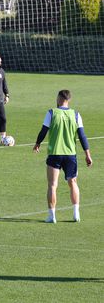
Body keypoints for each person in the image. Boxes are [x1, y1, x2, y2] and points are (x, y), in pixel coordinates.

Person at [33, 90, 92, 223]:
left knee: (52, 185)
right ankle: (76, 214)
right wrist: (87, 154)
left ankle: (52, 216)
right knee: (73, 183)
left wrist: (37, 143)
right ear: (68, 100)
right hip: (70, 155)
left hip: (54, 154)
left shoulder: (51, 113)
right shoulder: (76, 114)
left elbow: (43, 130)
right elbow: (82, 136)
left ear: (59, 98)